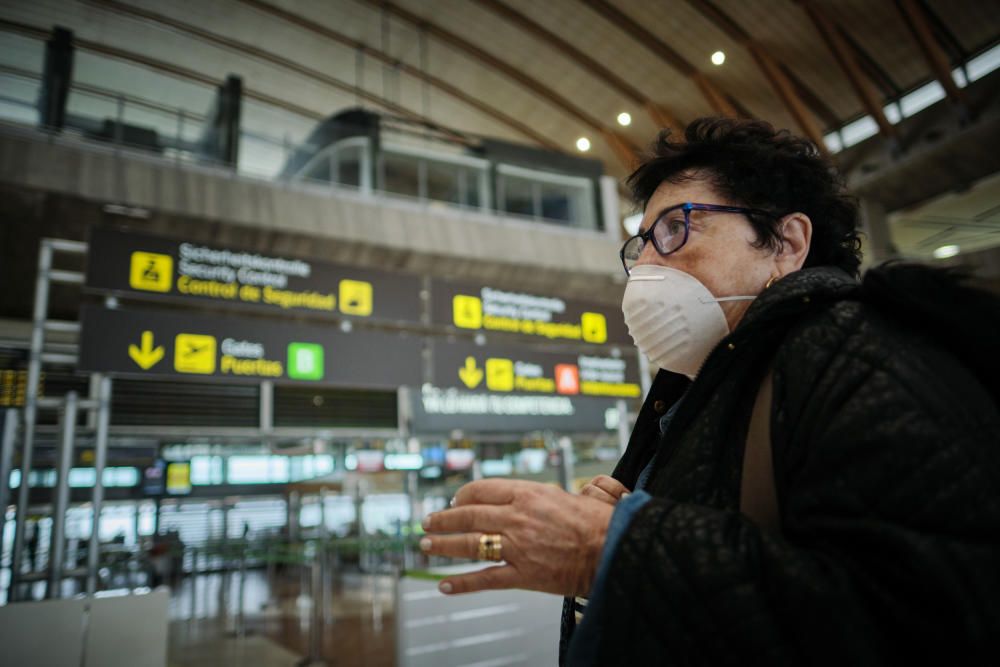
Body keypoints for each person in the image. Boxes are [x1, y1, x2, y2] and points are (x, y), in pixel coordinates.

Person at [418, 118, 1000, 664]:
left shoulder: (859, 352)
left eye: (677, 227)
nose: (647, 261)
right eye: (641, 241)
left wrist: (614, 549)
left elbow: (928, 615)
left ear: (786, 242)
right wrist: (640, 518)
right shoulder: (694, 390)